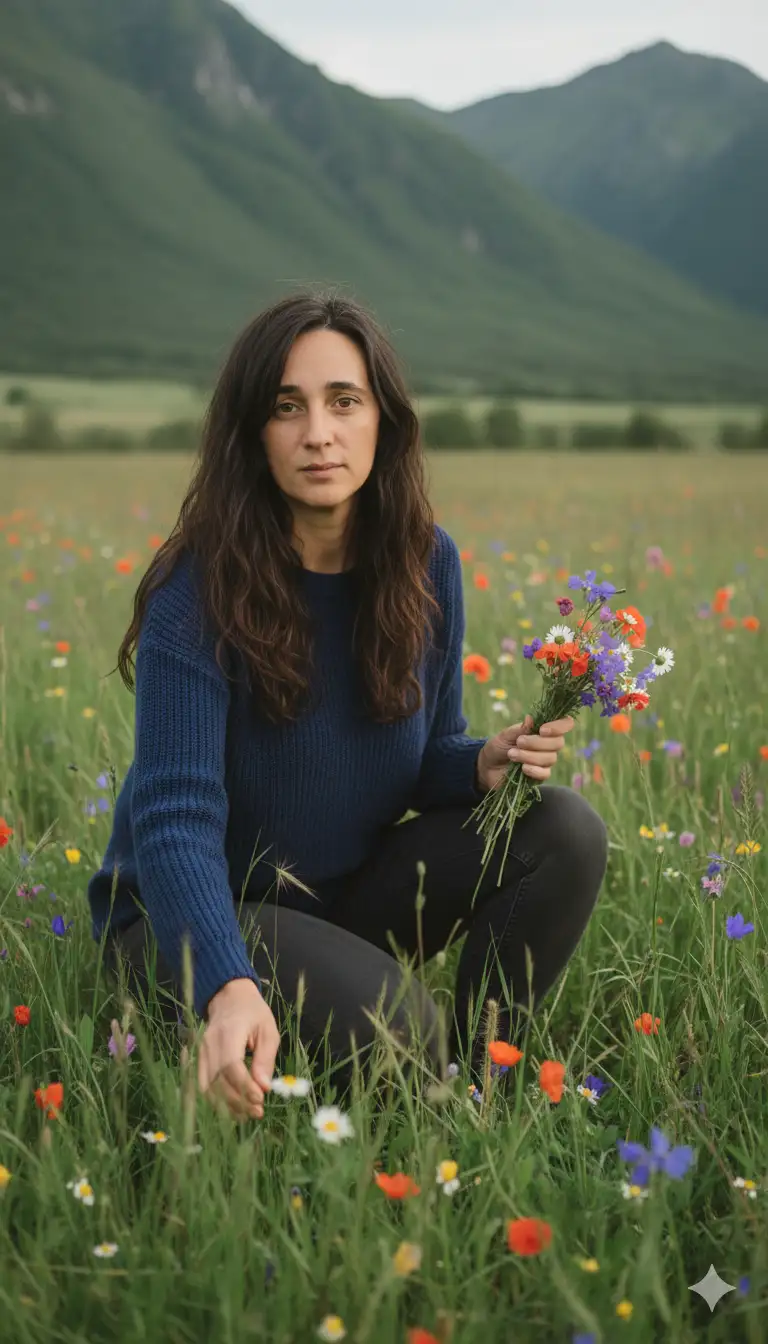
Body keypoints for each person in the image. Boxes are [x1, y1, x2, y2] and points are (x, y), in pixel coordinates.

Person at [87, 291, 607, 1122]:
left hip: (339, 903)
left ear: (382, 422)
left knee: (564, 830)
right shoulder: (199, 587)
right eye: (286, 407)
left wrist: (478, 763)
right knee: (403, 1029)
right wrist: (226, 982)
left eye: (343, 401)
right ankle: (411, 1066)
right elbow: (174, 818)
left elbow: (420, 754)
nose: (318, 432)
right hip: (190, 919)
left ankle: (483, 1081)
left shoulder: (424, 562)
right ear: (253, 436)